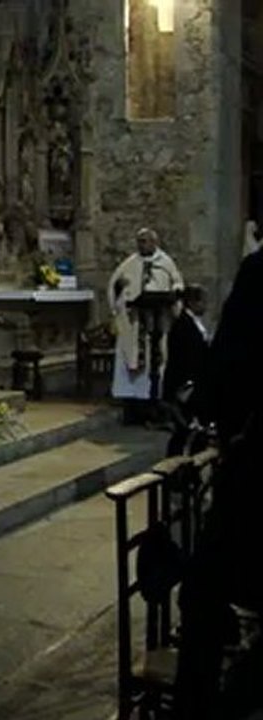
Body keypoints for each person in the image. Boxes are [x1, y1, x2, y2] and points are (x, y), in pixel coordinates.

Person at [173, 251, 263, 719]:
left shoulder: (259, 273)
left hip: (257, 476)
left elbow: (226, 370)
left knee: (202, 594)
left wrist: (209, 410)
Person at [107, 228, 183, 423]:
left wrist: (175, 292)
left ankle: (155, 404)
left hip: (158, 323)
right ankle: (134, 408)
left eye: (144, 241)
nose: (140, 245)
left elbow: (177, 283)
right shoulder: (130, 263)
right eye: (139, 241)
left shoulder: (165, 263)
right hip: (135, 324)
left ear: (154, 242)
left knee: (156, 362)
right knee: (133, 363)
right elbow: (114, 285)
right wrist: (120, 288)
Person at [162, 285, 210, 457]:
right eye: (203, 302)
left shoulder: (193, 322)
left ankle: (192, 462)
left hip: (195, 383)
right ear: (192, 302)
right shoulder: (183, 325)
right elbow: (183, 359)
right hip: (184, 385)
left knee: (196, 430)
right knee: (184, 429)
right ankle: (175, 463)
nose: (206, 306)